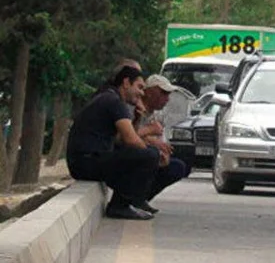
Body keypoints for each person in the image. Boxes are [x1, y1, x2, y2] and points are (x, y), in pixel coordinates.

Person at [65, 65, 158, 220]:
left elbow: (121, 140)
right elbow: (131, 140)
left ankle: (130, 201)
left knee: (145, 155)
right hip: (87, 162)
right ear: (126, 82)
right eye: (139, 87)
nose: (142, 93)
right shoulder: (114, 101)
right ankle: (120, 206)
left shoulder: (107, 96)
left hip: (82, 162)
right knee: (150, 155)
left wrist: (138, 118)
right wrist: (153, 156)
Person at [133, 75, 193, 211]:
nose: (167, 99)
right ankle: (132, 199)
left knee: (176, 166)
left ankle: (141, 199)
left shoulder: (156, 115)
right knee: (149, 156)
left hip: (145, 152)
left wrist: (163, 151)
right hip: (128, 154)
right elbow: (126, 135)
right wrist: (150, 134)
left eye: (168, 94)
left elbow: (161, 140)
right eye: (163, 93)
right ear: (149, 92)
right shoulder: (135, 108)